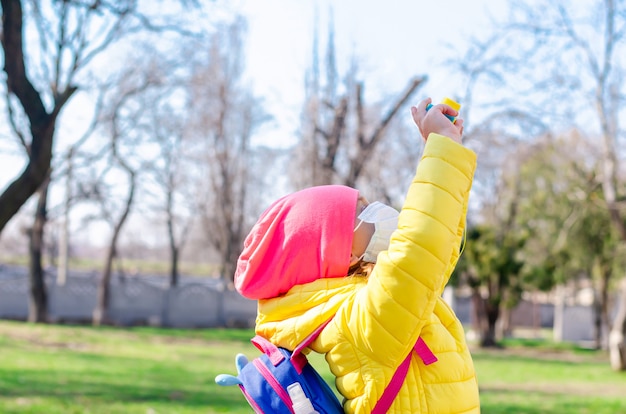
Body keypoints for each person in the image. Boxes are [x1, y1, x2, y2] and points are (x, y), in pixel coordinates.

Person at [234, 97, 480, 413]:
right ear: (342, 254)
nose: (375, 209)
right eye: (361, 210)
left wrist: (446, 150)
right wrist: (442, 147)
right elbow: (421, 248)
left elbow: (438, 249)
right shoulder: (360, 320)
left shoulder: (372, 303)